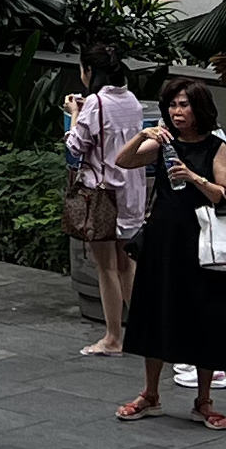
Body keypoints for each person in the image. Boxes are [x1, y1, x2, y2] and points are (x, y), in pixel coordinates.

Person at [118, 77, 226, 428]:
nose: (178, 112)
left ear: (199, 108)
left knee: (206, 315)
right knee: (155, 310)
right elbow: (124, 161)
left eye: (184, 105)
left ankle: (204, 400)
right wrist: (144, 135)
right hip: (163, 238)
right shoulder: (165, 143)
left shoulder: (214, 146)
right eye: (173, 105)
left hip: (202, 242)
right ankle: (150, 394)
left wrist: (193, 177)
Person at [62, 47, 149, 359]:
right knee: (127, 264)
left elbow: (76, 145)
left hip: (103, 193)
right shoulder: (132, 100)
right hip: (132, 191)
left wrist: (74, 112)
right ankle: (144, 330)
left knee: (106, 267)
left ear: (89, 71)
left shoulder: (94, 104)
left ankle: (113, 337)